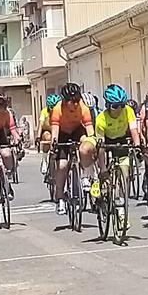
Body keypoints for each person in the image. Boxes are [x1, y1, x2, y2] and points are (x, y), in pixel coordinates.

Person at [49, 83, 97, 215]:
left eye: (77, 100)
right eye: (72, 101)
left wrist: (92, 142)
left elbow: (89, 130)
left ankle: (87, 175)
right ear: (64, 100)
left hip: (77, 130)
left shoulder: (83, 107)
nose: (75, 104)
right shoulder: (57, 109)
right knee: (62, 165)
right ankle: (59, 198)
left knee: (86, 143)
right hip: (62, 133)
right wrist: (54, 144)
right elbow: (55, 131)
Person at [93, 84, 141, 200]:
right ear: (108, 105)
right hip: (106, 140)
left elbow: (134, 130)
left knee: (125, 171)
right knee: (103, 162)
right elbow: (101, 146)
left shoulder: (128, 111)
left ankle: (120, 197)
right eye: (115, 106)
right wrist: (103, 168)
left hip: (121, 138)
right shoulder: (101, 119)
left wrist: (138, 146)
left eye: (122, 105)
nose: (119, 109)